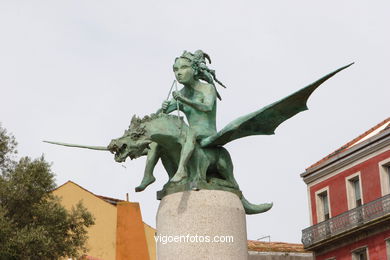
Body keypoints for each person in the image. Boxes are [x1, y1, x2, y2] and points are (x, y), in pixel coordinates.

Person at [161, 50, 225, 182]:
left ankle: (182, 170)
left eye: (184, 68)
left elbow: (207, 107)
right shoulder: (181, 93)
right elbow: (162, 115)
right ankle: (150, 176)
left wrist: (184, 100)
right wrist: (163, 109)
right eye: (175, 69)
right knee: (160, 140)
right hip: (191, 134)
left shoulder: (207, 88)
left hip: (207, 132)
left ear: (195, 70)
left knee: (191, 133)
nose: (178, 72)